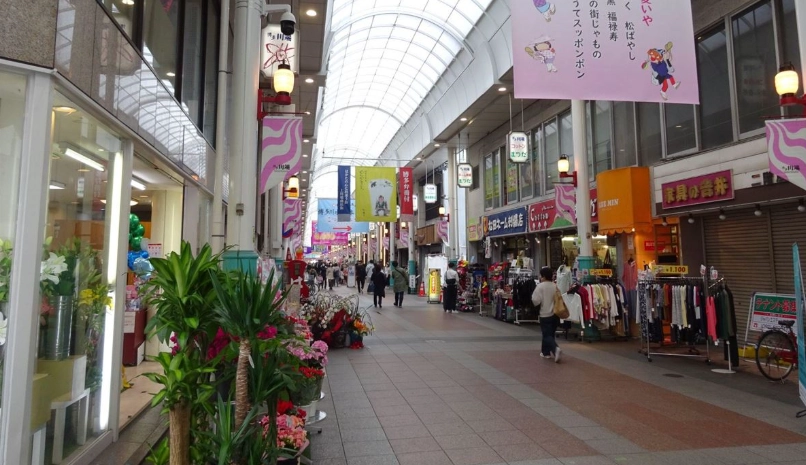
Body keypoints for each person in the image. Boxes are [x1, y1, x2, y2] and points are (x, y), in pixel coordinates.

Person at [531, 266, 561, 363]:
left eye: (541, 275)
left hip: (545, 314)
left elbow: (535, 300)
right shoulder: (555, 286)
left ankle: (555, 348)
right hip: (555, 314)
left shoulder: (540, 286)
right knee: (550, 334)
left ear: (543, 276)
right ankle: (545, 352)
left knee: (547, 335)